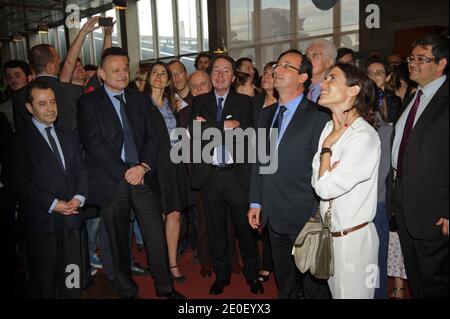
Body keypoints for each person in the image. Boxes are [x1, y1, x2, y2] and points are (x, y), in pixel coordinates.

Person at [77, 47, 185, 299]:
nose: (122, 74)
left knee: (155, 236)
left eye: (125, 68)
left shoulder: (138, 99)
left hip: (143, 177)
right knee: (116, 240)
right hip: (112, 180)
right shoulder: (88, 102)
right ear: (102, 74)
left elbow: (153, 137)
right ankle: (126, 288)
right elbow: (93, 144)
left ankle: (165, 286)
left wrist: (143, 167)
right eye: (115, 70)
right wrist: (126, 171)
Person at [248, 49, 330, 299]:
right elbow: (259, 162)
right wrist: (255, 201)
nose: (277, 70)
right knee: (284, 278)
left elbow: (323, 170)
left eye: (286, 66)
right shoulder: (266, 114)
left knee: (314, 282)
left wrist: (318, 212)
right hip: (273, 212)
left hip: (305, 213)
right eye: (276, 65)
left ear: (303, 77)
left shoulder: (319, 116)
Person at [190, 54, 262, 295]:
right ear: (210, 77)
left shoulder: (244, 102)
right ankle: (222, 275)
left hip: (236, 175)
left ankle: (253, 275)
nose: (220, 75)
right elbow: (194, 134)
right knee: (216, 229)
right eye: (216, 71)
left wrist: (209, 126)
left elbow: (249, 134)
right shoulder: (199, 101)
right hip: (210, 176)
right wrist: (226, 126)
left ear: (233, 78)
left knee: (245, 230)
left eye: (225, 71)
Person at [11, 82, 88, 298]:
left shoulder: (68, 135)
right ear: (29, 107)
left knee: (72, 275)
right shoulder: (19, 141)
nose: (50, 108)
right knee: (44, 281)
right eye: (43, 104)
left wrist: (79, 198)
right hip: (41, 223)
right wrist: (54, 205)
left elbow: (81, 171)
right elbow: (20, 183)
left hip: (71, 219)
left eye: (53, 102)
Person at [312, 63, 381, 299]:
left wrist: (327, 150)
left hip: (355, 240)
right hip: (331, 236)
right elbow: (316, 178)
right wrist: (327, 159)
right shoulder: (329, 128)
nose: (323, 83)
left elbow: (324, 187)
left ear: (354, 90)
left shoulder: (363, 136)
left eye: (332, 78)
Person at [389, 35, 448, 298]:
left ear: (441, 64)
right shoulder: (414, 96)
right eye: (411, 58)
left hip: (434, 207)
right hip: (403, 199)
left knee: (436, 278)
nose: (412, 63)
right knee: (415, 273)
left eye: (421, 59)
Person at [144, 61, 193, 283]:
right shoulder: (139, 103)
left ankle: (172, 263)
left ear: (168, 80)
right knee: (157, 217)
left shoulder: (173, 103)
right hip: (151, 166)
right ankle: (159, 263)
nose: (159, 76)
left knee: (174, 214)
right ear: (148, 78)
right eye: (154, 72)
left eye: (163, 74)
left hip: (174, 164)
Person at [13, 44, 83, 132]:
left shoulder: (19, 96)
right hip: (73, 144)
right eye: (58, 59)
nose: (60, 62)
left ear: (31, 67)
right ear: (51, 66)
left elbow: (20, 131)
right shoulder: (74, 91)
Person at [366, 56, 402, 123]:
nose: (372, 77)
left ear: (388, 77)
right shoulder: (360, 97)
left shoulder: (394, 100)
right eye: (370, 73)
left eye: (378, 73)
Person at [1, 60, 33, 130]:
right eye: (9, 77)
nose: (13, 80)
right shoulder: (4, 108)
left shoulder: (40, 99)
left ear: (29, 78)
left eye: (17, 75)